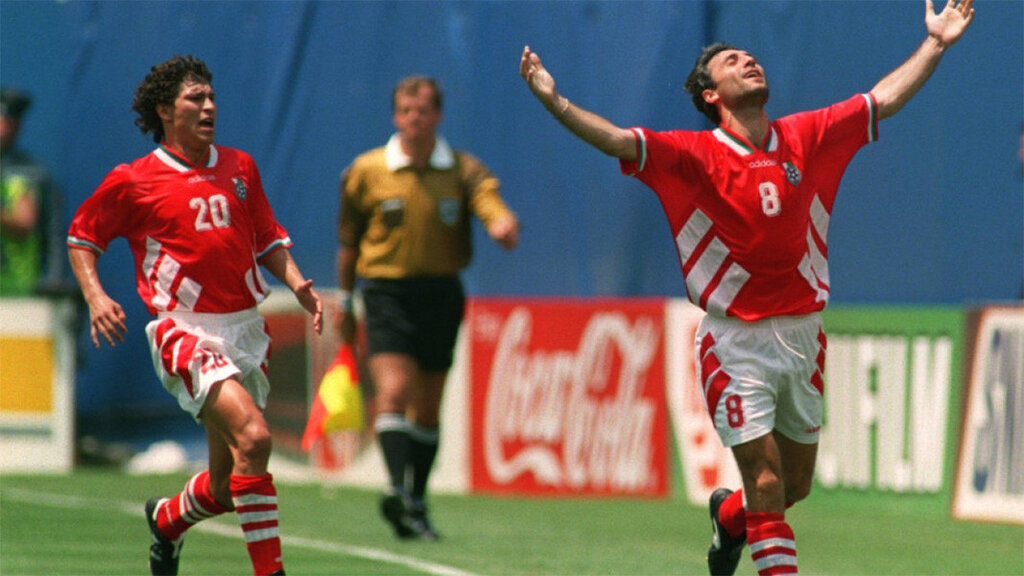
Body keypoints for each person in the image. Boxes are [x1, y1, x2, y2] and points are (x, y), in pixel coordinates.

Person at [520, 1, 973, 574]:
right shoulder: (692, 154)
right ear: (711, 94)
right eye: (732, 61)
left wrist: (936, 43)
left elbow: (881, 99)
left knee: (793, 486)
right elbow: (615, 139)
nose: (748, 61)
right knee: (764, 480)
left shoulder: (807, 133)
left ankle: (729, 518)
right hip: (735, 344)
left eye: (750, 57)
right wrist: (554, 100)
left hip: (803, 336)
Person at [67, 55, 322, 576]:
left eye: (211, 98)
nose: (209, 107)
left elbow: (267, 237)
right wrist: (96, 296)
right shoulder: (134, 180)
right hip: (184, 331)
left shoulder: (240, 167)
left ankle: (166, 520)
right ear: (165, 110)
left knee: (228, 486)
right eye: (195, 98)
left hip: (244, 328)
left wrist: (297, 283)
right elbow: (82, 237)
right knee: (255, 437)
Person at [337, 75, 519, 540]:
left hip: (440, 293)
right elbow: (348, 243)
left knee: (429, 406)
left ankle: (416, 501)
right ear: (395, 116)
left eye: (421, 110)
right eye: (405, 111)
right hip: (386, 292)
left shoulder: (460, 169)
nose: (413, 119)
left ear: (437, 115)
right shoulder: (367, 170)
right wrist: (345, 300)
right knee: (394, 390)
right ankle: (396, 490)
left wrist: (501, 223)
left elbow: (488, 200)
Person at [1, 86, 63, 296]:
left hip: (17, 288)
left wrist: (54, 279)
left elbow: (48, 229)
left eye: (11, 121)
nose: (5, 128)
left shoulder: (31, 174)